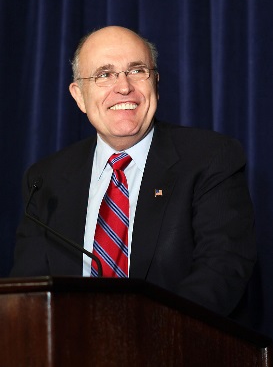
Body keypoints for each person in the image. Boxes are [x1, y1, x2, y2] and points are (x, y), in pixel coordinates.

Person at [10, 26, 256, 318]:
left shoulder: (210, 158)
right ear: (79, 96)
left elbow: (222, 270)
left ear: (155, 82)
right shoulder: (45, 180)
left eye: (137, 70)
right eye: (104, 74)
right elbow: (29, 294)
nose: (124, 87)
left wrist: (140, 340)